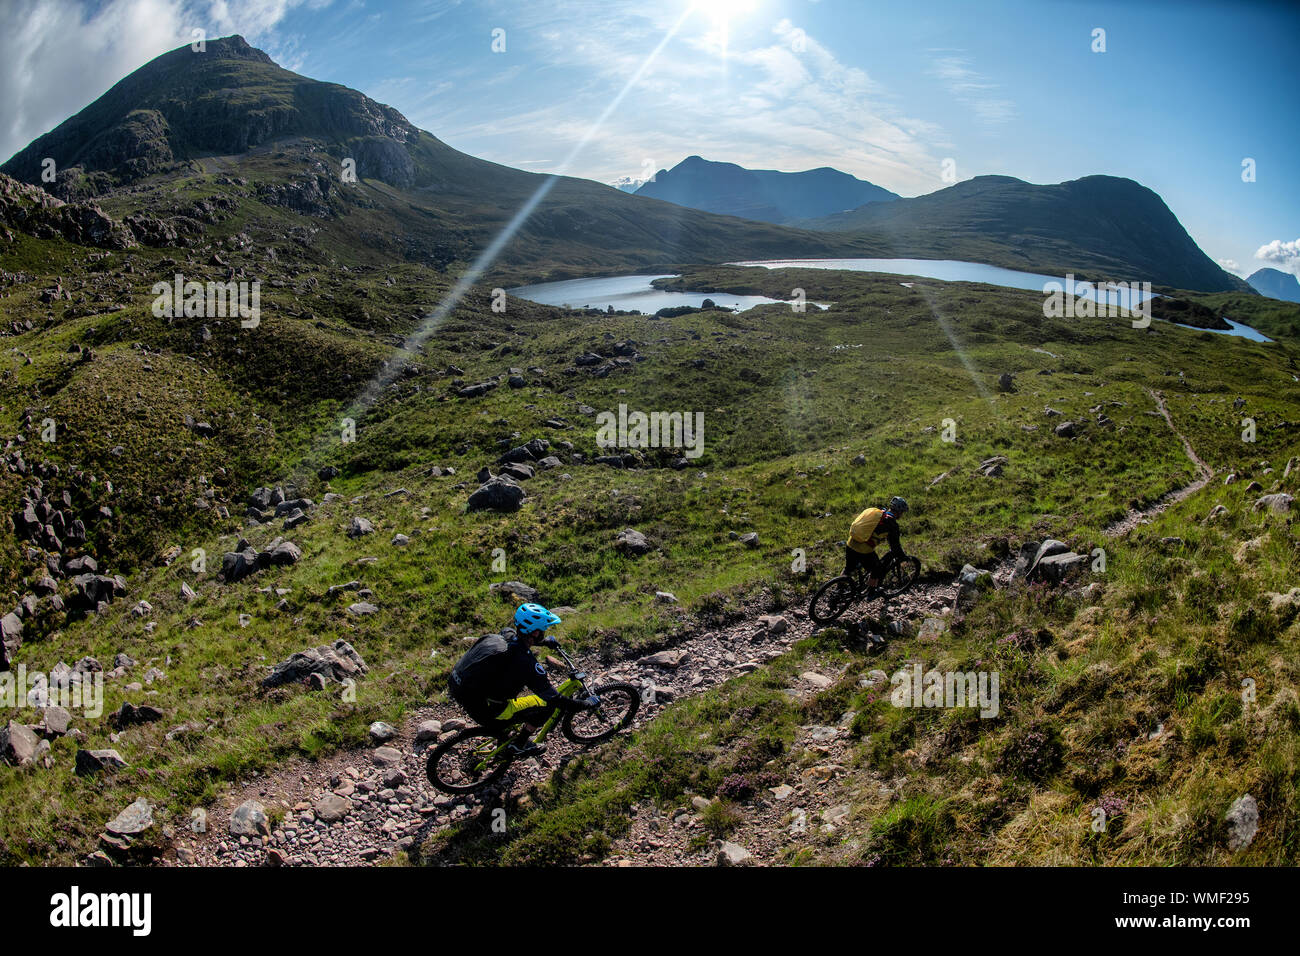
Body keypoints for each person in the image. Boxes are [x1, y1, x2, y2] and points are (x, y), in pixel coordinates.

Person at [448, 603, 597, 757]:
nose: (544, 633)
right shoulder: (527, 664)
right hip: (489, 711)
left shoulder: (502, 636)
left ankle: (506, 736)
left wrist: (543, 642)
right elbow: (555, 699)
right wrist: (585, 704)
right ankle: (520, 745)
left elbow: (516, 639)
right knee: (546, 705)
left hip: (463, 691)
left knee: (522, 701)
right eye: (543, 631)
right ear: (535, 632)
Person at [844, 496, 909, 588]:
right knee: (877, 570)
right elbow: (895, 545)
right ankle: (872, 591)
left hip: (850, 543)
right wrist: (902, 556)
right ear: (899, 512)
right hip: (863, 550)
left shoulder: (878, 513)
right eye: (902, 512)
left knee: (848, 568)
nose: (902, 515)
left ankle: (839, 587)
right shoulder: (891, 523)